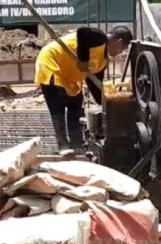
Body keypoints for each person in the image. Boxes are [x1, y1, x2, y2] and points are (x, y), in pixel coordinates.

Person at [34, 26, 133, 154]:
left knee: (76, 103)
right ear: (119, 42)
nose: (122, 52)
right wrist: (84, 60)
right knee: (57, 104)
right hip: (52, 62)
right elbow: (82, 32)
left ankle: (76, 143)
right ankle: (63, 145)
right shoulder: (100, 37)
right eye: (123, 48)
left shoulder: (103, 62)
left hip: (68, 77)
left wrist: (108, 102)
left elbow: (94, 85)